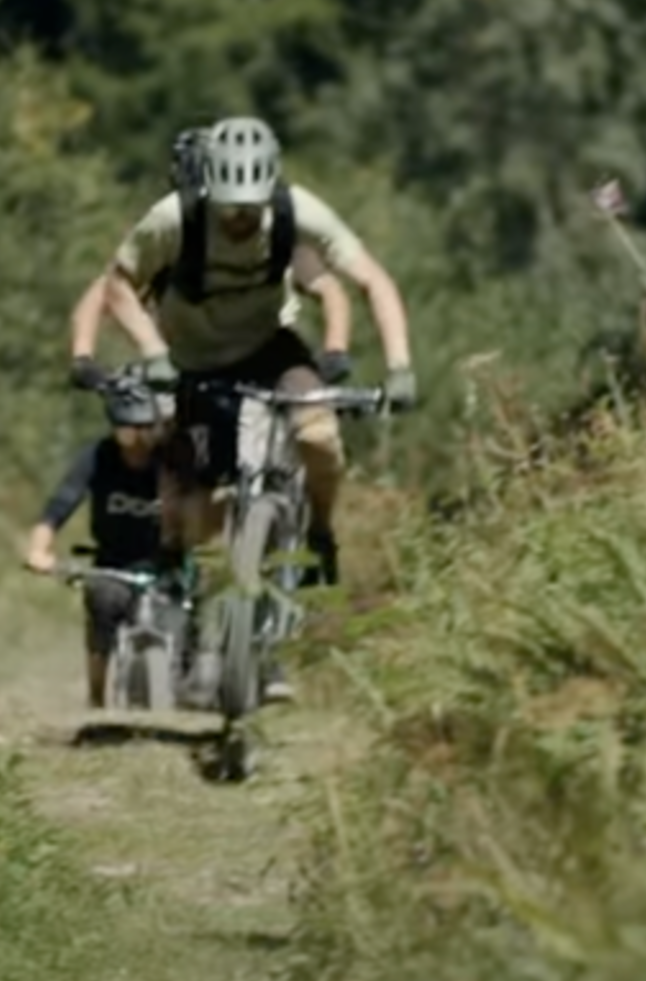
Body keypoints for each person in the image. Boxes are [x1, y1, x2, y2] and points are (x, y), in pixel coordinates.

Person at [65, 115, 418, 702]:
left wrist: (400, 366)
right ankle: (209, 624)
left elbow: (370, 281)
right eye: (229, 207)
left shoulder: (298, 212)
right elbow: (115, 285)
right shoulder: (171, 220)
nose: (240, 219)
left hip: (270, 350)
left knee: (319, 437)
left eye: (250, 208)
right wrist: (150, 353)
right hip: (194, 364)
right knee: (194, 507)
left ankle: (320, 536)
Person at [22, 375, 178, 710]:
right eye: (128, 430)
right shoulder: (97, 457)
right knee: (104, 602)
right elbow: (59, 506)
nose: (138, 440)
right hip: (114, 564)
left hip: (169, 563)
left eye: (146, 429)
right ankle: (96, 698)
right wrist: (39, 549)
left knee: (200, 611)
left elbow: (203, 503)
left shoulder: (173, 461)